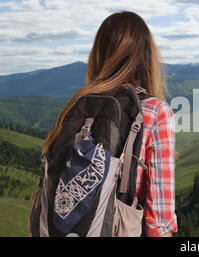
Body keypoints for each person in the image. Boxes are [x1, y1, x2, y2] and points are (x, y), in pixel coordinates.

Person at [41, 11, 177, 237]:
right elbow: (159, 222)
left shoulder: (77, 105)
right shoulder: (155, 111)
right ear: (146, 56)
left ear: (99, 55)